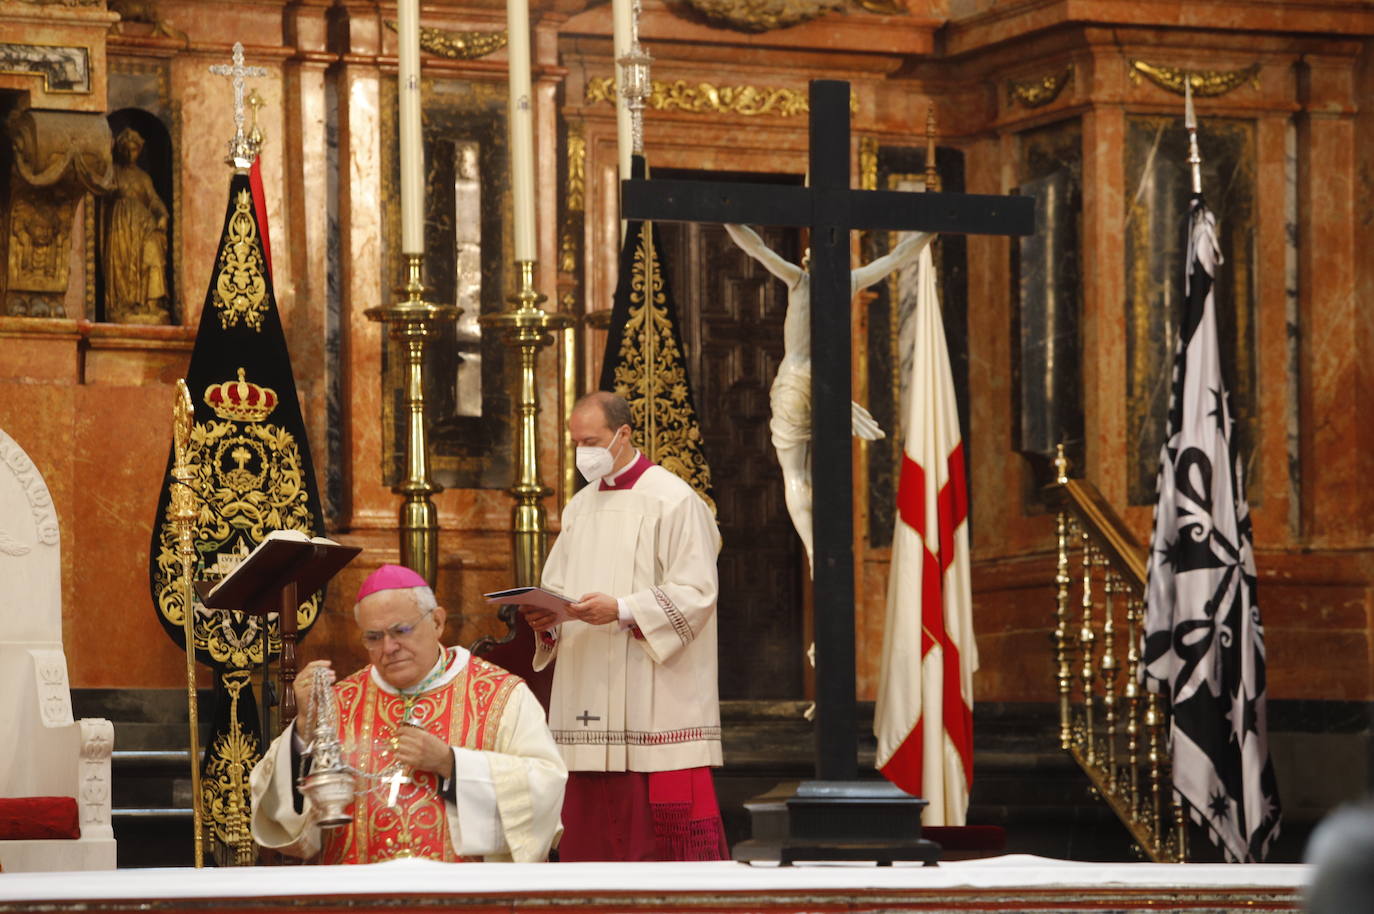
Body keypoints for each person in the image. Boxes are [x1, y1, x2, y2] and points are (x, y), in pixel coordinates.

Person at [522, 391, 726, 861]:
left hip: (651, 695)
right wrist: (547, 617)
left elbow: (698, 594)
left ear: (623, 434)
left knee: (652, 844)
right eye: (576, 442)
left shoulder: (673, 500)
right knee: (591, 835)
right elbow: (557, 586)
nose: (583, 453)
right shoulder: (579, 507)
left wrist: (623, 609)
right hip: (587, 687)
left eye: (591, 441)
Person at [250, 564, 567, 863]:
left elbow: (545, 788)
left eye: (401, 631)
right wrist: (304, 727)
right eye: (374, 637)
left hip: (461, 901)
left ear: (437, 622)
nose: (389, 648)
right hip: (357, 899)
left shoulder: (500, 695)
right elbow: (283, 822)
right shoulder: (337, 703)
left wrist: (451, 764)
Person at [723, 224, 933, 571]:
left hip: (795, 382)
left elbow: (757, 247)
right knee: (824, 475)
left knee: (795, 475)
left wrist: (727, 217)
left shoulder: (800, 281)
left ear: (809, 259)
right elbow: (898, 257)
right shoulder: (850, 282)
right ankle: (825, 547)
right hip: (828, 386)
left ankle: (812, 550)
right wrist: (932, 230)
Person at [104, 127, 171, 324]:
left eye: (133, 149)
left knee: (150, 256)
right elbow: (104, 190)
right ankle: (122, 303)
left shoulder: (143, 177)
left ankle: (148, 302)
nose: (129, 153)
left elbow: (154, 200)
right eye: (126, 149)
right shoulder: (114, 172)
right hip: (120, 223)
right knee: (122, 262)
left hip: (142, 224)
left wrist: (162, 215)